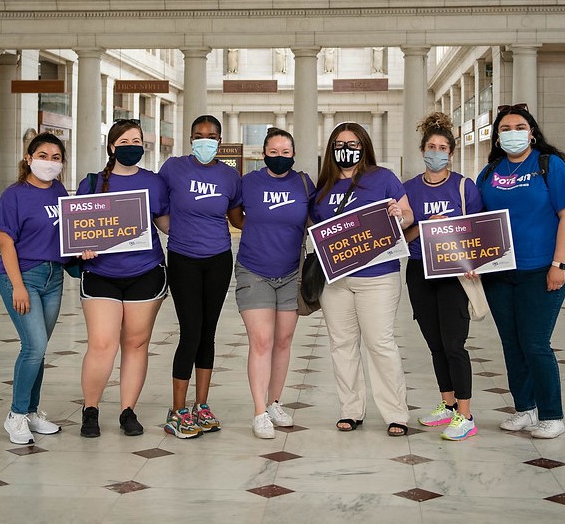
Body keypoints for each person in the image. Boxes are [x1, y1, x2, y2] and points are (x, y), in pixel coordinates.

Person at [475, 103, 565, 439]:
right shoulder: (490, 172)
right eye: (505, 128)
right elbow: (475, 221)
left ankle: (552, 414)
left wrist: (558, 264)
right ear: (497, 136)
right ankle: (524, 408)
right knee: (511, 343)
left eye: (519, 127)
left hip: (540, 270)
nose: (513, 133)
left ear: (531, 132)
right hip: (498, 273)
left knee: (535, 343)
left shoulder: (550, 166)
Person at [312, 122, 413, 437]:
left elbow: (408, 215)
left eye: (353, 143)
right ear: (331, 148)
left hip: (378, 277)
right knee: (342, 345)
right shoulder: (323, 188)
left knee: (380, 343)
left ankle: (396, 413)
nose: (347, 148)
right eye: (340, 143)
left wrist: (399, 213)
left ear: (364, 146)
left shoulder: (382, 178)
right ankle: (350, 409)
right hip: (336, 282)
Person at [76, 119, 170, 438]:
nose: (133, 146)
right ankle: (91, 409)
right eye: (126, 141)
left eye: (138, 141)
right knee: (102, 344)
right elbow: (75, 231)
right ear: (112, 146)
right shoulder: (90, 184)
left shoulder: (154, 183)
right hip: (101, 274)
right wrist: (81, 248)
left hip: (145, 272)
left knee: (135, 344)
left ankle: (127, 410)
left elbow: (167, 224)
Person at [228, 128, 314, 439]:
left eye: (285, 152)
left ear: (294, 153)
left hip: (292, 272)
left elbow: (316, 219)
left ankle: (275, 402)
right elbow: (236, 217)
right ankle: (259, 411)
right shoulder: (248, 182)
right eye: (273, 152)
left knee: (283, 341)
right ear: (263, 153)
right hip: (254, 271)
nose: (280, 157)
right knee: (262, 341)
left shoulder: (303, 183)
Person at [158, 115, 242, 438]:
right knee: (190, 331)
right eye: (198, 135)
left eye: (210, 136)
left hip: (219, 260)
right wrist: (172, 230)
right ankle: (178, 410)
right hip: (183, 259)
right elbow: (154, 204)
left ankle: (201, 405)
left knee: (209, 333)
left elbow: (236, 217)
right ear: (190, 139)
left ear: (219, 141)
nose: (204, 140)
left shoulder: (229, 176)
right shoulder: (173, 168)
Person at [402, 112, 483, 441]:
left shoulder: (464, 187)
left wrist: (474, 262)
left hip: (453, 272)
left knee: (454, 344)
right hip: (419, 269)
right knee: (434, 343)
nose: (436, 152)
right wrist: (425, 225)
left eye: (443, 148)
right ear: (423, 150)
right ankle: (447, 405)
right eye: (431, 146)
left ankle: (466, 414)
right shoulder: (408, 189)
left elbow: (480, 233)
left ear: (451, 153)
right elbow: (402, 237)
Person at [0, 133, 68, 445]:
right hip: (22, 276)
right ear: (28, 158)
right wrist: (18, 287)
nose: (48, 162)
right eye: (42, 155)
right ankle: (16, 414)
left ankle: (33, 412)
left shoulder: (60, 191)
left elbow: (71, 231)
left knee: (40, 350)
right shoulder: (15, 195)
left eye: (55, 157)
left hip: (54, 277)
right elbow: (5, 241)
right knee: (33, 346)